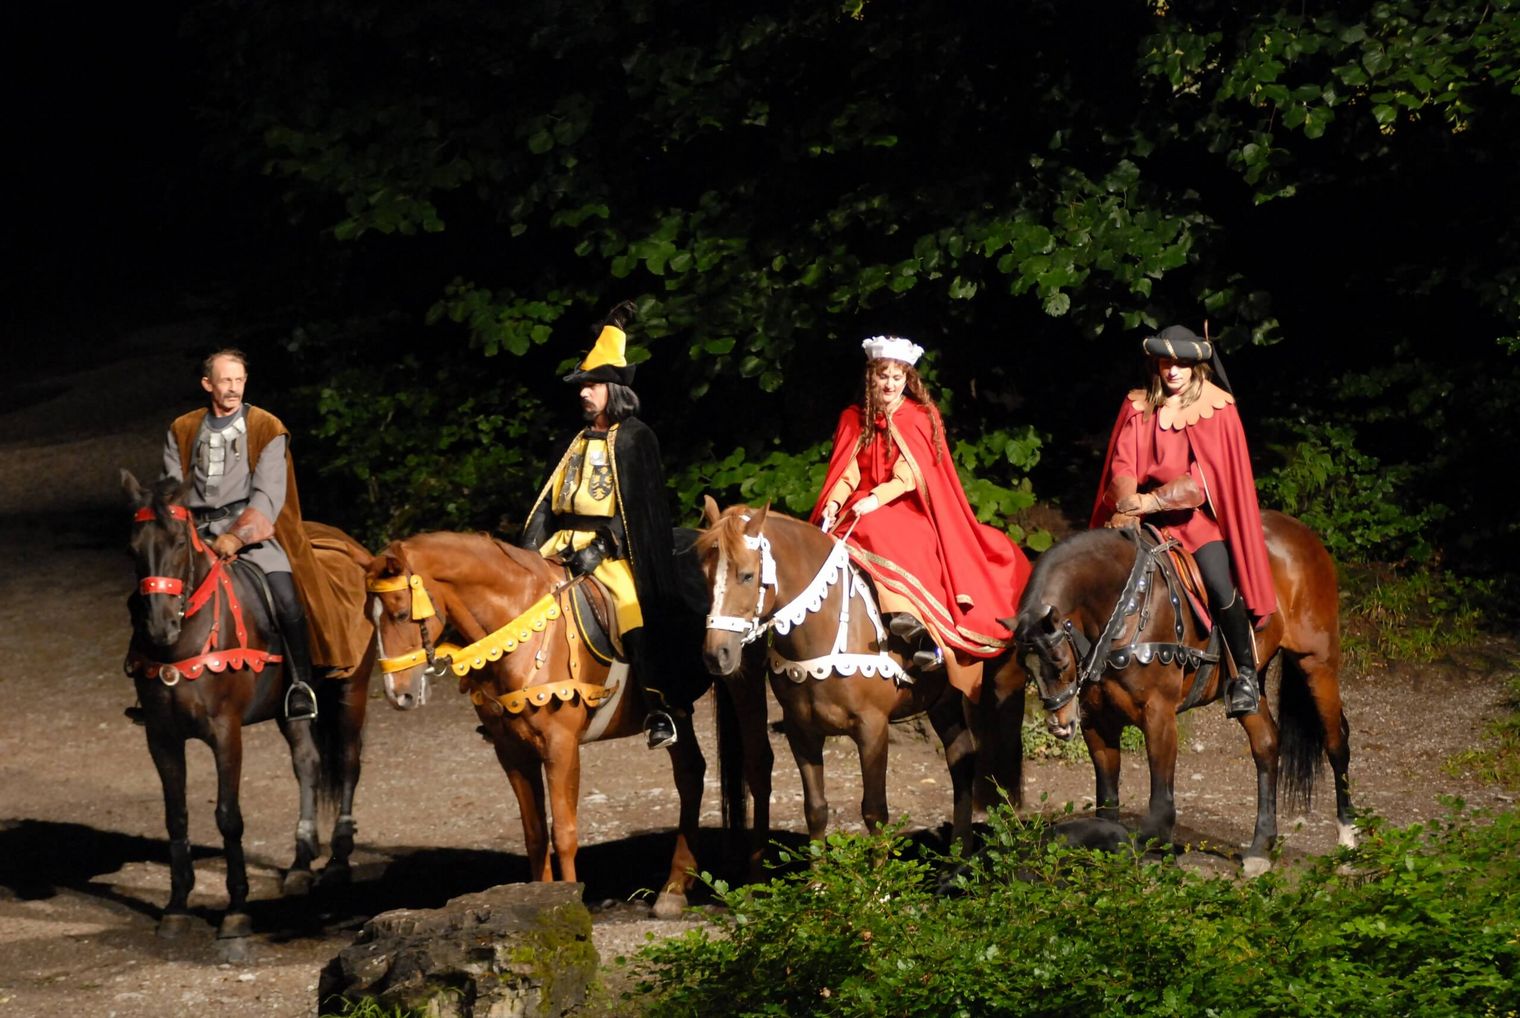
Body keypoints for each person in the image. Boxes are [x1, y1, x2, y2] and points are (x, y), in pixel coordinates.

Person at [129, 348, 352, 723]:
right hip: (194, 531)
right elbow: (171, 488)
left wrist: (235, 537)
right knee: (150, 588)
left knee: (287, 598)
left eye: (239, 380)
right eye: (225, 381)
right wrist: (178, 527)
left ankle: (301, 685)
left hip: (251, 534)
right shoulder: (183, 429)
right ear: (207, 384)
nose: (233, 388)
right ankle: (145, 676)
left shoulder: (267, 427)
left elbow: (268, 494)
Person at [808, 336, 1031, 690]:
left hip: (905, 507)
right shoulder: (854, 418)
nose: (890, 384)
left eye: (898, 377)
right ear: (872, 377)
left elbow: (911, 476)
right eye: (884, 376)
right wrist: (834, 504)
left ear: (907, 379)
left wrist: (876, 499)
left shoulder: (918, 416)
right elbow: (847, 472)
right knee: (827, 538)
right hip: (862, 505)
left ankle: (916, 624)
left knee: (878, 527)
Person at [522, 303, 689, 750]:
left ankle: (656, 706)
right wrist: (525, 555)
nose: (584, 393)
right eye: (582, 386)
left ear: (614, 389)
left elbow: (642, 512)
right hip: (560, 544)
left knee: (631, 607)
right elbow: (546, 503)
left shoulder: (636, 439)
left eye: (592, 385)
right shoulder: (571, 440)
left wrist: (604, 547)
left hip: (609, 552)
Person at [1090, 324, 1277, 717]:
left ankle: (1243, 674)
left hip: (1193, 523)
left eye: (1181, 363)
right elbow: (1123, 462)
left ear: (1196, 365)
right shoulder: (1138, 406)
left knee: (1218, 580)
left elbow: (1201, 481)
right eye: (1165, 362)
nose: (1172, 370)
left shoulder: (1216, 408)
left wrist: (1148, 500)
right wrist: (1126, 501)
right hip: (1140, 520)